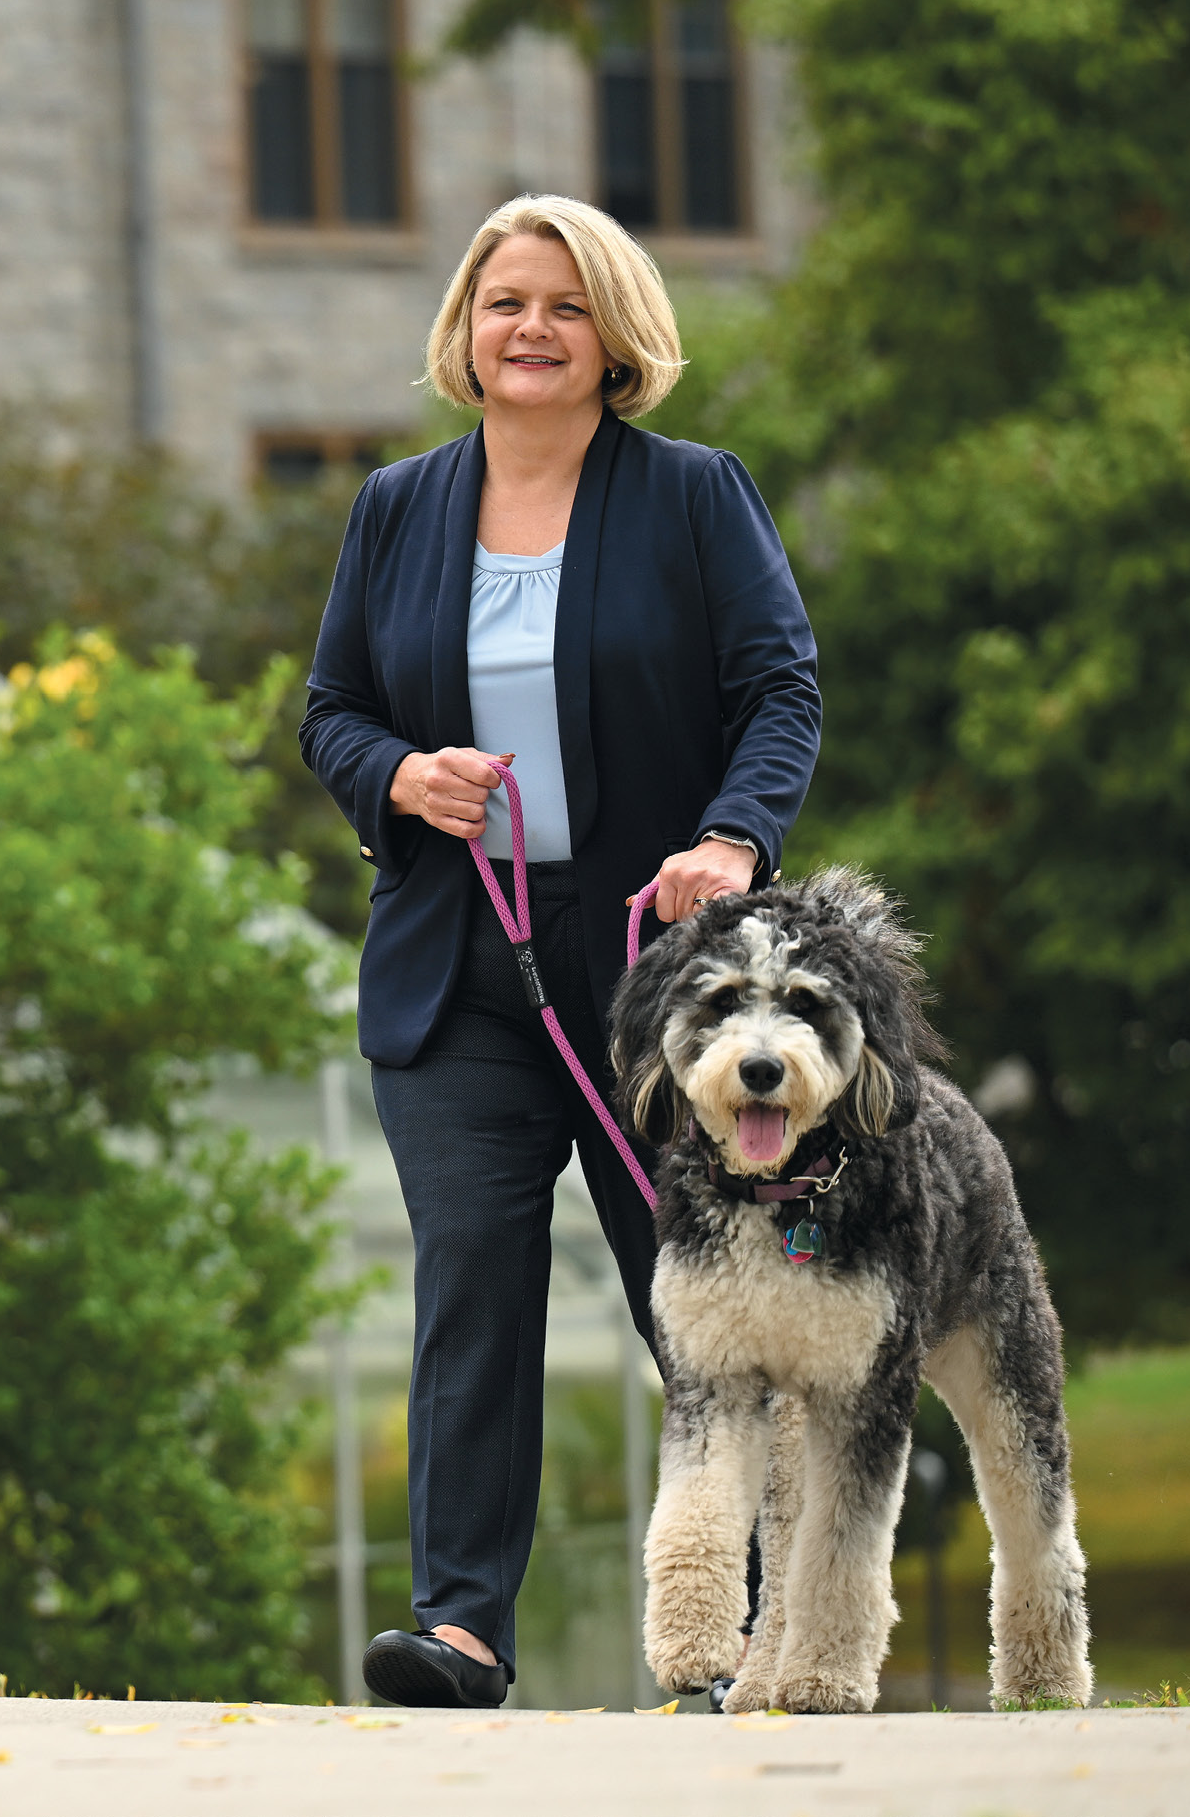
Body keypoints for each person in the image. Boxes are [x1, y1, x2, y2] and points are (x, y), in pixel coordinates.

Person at [299, 194, 821, 1710]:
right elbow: (332, 708)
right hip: (458, 966)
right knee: (473, 1276)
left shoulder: (693, 496)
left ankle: (770, 1623)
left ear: (618, 338)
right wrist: (401, 776)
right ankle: (461, 1629)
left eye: (564, 304)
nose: (529, 327)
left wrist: (730, 841)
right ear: (465, 330)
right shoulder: (395, 507)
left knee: (697, 1290)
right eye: (503, 299)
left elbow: (780, 687)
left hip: (658, 977)